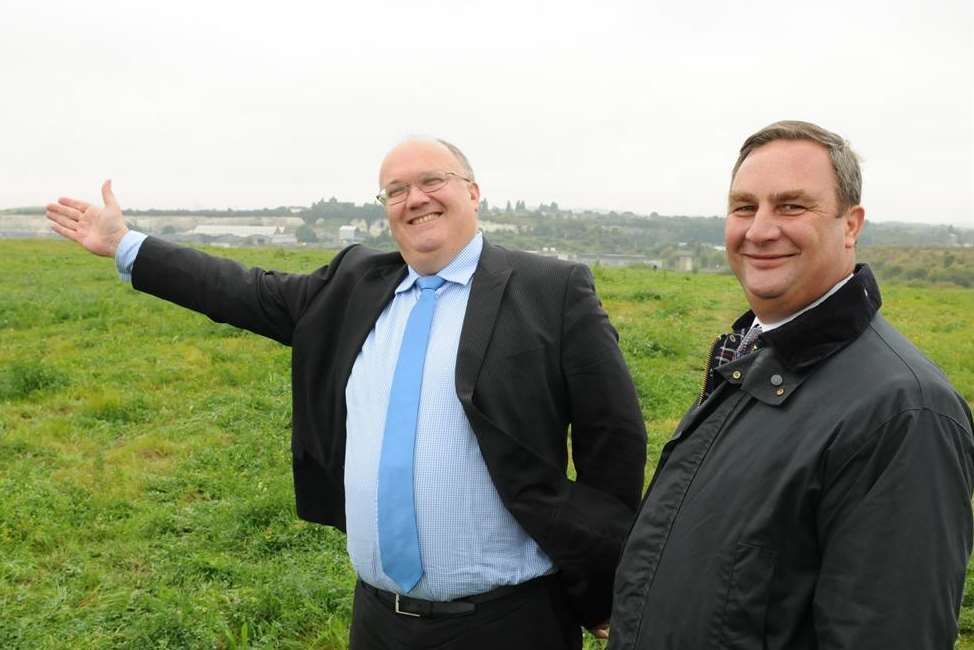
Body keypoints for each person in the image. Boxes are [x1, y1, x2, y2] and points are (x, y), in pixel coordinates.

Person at [46, 138, 647, 650]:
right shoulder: (353, 285)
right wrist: (127, 244)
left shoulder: (551, 288)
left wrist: (602, 580)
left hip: (512, 619)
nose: (414, 198)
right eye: (394, 190)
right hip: (379, 620)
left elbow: (612, 439)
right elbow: (239, 289)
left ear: (473, 191)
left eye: (431, 180)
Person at [607, 121, 974, 650]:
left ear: (851, 225)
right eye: (743, 207)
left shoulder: (904, 411)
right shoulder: (753, 355)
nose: (759, 230)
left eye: (791, 206)